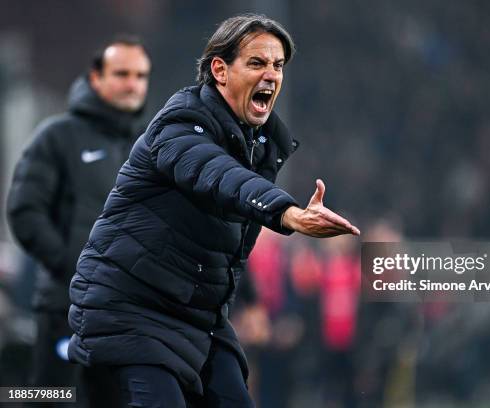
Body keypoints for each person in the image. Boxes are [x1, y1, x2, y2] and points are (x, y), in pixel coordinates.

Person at [66, 14, 359, 408]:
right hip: (128, 309)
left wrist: (249, 300)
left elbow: (225, 239)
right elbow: (217, 175)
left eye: (278, 65)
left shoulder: (261, 146)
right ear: (220, 70)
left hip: (199, 317)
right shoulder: (181, 123)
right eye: (257, 63)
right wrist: (285, 212)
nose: (271, 74)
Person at [6, 36, 151, 407]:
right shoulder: (58, 136)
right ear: (96, 78)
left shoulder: (152, 147)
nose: (132, 83)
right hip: (65, 309)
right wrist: (73, 267)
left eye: (140, 75)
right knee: (50, 398)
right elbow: (25, 211)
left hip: (131, 316)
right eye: (121, 73)